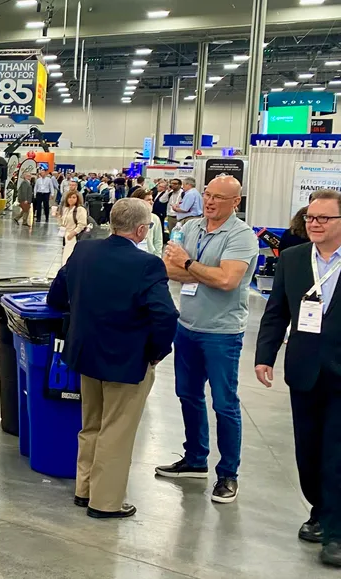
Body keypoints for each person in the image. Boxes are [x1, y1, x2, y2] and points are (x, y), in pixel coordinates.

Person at [47, 199, 178, 519]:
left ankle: (84, 488)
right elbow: (165, 316)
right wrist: (156, 353)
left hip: (85, 354)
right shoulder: (147, 264)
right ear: (142, 229)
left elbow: (56, 297)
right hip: (128, 360)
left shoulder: (84, 251)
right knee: (116, 432)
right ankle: (105, 502)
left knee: (91, 424)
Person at [158, 175, 259, 504]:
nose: (210, 201)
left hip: (222, 332)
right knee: (187, 394)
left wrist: (189, 263)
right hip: (187, 325)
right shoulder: (191, 228)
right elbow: (167, 269)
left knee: (225, 404)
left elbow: (228, 280)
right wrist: (203, 271)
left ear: (236, 202)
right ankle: (195, 458)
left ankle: (228, 473)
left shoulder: (241, 237)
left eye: (219, 197)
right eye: (207, 194)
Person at [254, 189, 341, 562]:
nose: (315, 224)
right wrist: (265, 356)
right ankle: (319, 510)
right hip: (305, 370)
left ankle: (335, 532)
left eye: (324, 218)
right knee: (308, 450)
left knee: (336, 453)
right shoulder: (291, 259)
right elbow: (276, 313)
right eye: (310, 218)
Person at [130, 187, 164, 256]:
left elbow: (158, 240)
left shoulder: (154, 218)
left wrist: (158, 256)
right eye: (148, 200)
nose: (152, 202)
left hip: (149, 255)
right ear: (139, 201)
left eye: (152, 199)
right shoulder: (128, 217)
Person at [60, 190, 88, 265]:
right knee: (65, 255)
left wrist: (73, 233)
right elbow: (63, 222)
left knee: (68, 256)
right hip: (66, 234)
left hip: (74, 236)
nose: (71, 199)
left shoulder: (80, 209)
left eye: (73, 197)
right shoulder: (65, 209)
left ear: (77, 199)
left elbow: (82, 224)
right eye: (69, 197)